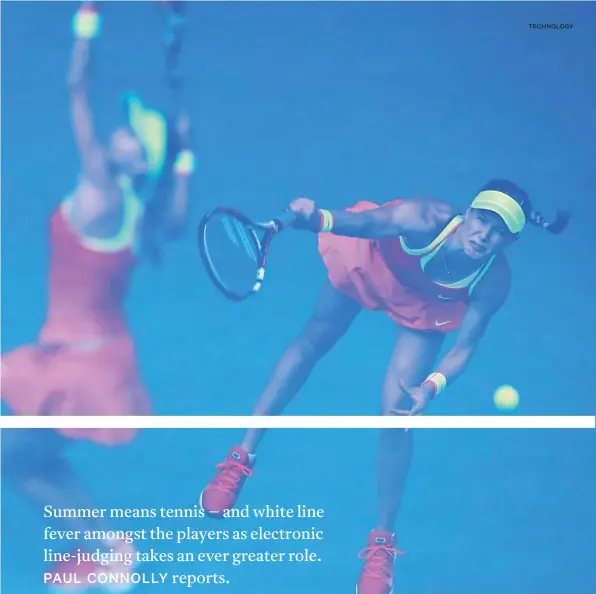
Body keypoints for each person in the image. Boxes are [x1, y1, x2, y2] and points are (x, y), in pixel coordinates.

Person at [199, 181, 569, 594]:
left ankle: (381, 545)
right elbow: (364, 223)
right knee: (315, 338)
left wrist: (430, 388)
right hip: (376, 263)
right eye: (483, 219)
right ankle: (240, 457)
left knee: (398, 417)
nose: (485, 235)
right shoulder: (424, 217)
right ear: (469, 212)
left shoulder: (493, 280)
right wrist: (316, 218)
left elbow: (464, 347)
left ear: (511, 241)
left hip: (427, 303)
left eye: (499, 231)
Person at [0, 3, 195, 591]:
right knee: (25, 462)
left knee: (13, 460)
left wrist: (87, 18)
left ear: (137, 162)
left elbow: (75, 89)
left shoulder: (104, 193)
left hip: (79, 369)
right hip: (89, 359)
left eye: (133, 137)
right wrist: (183, 159)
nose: (120, 133)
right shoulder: (144, 211)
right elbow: (178, 220)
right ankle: (104, 548)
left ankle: (108, 547)